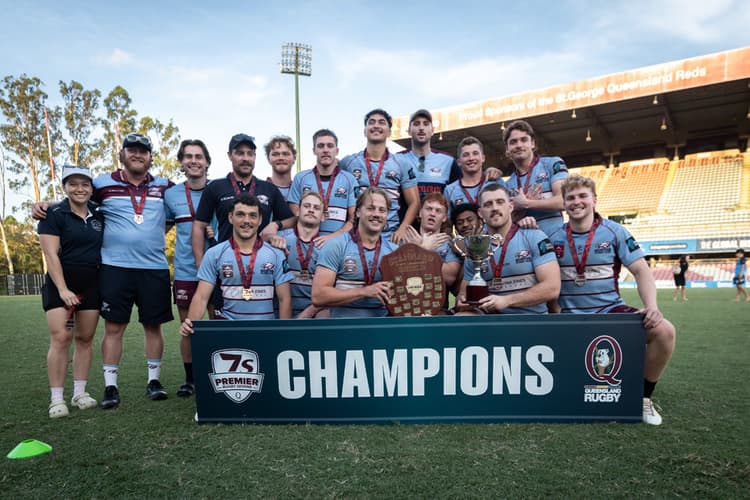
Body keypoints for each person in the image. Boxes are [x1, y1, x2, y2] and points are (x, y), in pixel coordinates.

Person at [32, 135, 175, 409]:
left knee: (153, 325)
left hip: (154, 267)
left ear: (150, 157)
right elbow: (76, 197)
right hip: (114, 268)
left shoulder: (164, 186)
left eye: (143, 151)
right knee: (114, 327)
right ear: (121, 154)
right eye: (131, 150)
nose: (137, 155)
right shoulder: (101, 184)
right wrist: (46, 205)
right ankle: (111, 386)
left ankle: (154, 381)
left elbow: (177, 214)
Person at [549, 175, 676, 425]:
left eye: (582, 196)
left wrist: (652, 307)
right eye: (570, 198)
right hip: (566, 318)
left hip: (609, 311)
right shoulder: (552, 237)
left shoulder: (614, 231)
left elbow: (641, 270)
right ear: (563, 203)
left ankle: (643, 398)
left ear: (594, 200)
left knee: (664, 331)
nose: (577, 202)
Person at [38, 165, 104, 418]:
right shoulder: (54, 214)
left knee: (85, 339)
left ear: (91, 187)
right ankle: (57, 399)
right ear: (64, 186)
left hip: (92, 283)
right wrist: (63, 289)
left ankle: (80, 393)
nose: (80, 189)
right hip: (60, 284)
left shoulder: (99, 213)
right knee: (61, 338)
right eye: (73, 184)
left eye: (85, 184)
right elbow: (50, 254)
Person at [179, 194, 293, 337]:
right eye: (240, 214)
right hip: (229, 330)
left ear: (260, 220)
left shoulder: (276, 254)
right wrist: (190, 322)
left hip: (266, 331)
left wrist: (284, 334)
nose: (247, 221)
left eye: (252, 215)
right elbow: (202, 297)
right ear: (230, 218)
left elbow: (284, 299)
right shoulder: (214, 254)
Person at [192, 133, 295, 269]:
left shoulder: (269, 188)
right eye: (240, 153)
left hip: (262, 264)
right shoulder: (215, 187)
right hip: (225, 263)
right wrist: (200, 263)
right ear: (230, 155)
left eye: (250, 154)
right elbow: (199, 226)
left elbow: (292, 219)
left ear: (255, 157)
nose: (245, 158)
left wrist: (276, 225)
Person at [456, 183, 560, 314]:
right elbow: (462, 293)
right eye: (488, 204)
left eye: (500, 202)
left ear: (510, 206)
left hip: (530, 320)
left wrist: (507, 300)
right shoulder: (476, 246)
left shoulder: (534, 236)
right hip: (491, 321)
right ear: (480, 213)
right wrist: (462, 301)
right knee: (462, 316)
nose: (494, 208)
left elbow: (552, 288)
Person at [164, 139, 214, 397]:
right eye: (188, 156)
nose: (194, 161)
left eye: (199, 156)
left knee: (218, 323)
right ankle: (190, 379)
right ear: (182, 162)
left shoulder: (218, 190)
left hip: (218, 271)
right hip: (185, 270)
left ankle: (217, 373)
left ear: (207, 161)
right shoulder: (171, 195)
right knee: (188, 326)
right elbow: (160, 228)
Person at [311, 187, 398, 317]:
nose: (376, 214)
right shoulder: (336, 245)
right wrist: (363, 292)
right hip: (343, 330)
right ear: (357, 212)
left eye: (382, 210)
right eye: (370, 208)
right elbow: (318, 296)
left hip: (381, 330)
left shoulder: (394, 252)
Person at [339, 108, 420, 243]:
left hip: (390, 236)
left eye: (382, 122)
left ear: (389, 132)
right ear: (365, 131)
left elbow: (415, 202)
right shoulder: (348, 162)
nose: (376, 125)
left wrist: (402, 228)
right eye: (371, 122)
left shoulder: (402, 164)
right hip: (356, 236)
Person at [288, 129, 358, 246]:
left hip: (338, 245)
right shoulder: (300, 178)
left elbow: (354, 219)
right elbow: (295, 215)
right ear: (314, 150)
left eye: (330, 146)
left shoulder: (349, 180)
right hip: (305, 246)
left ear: (337, 150)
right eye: (320, 146)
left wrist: (333, 238)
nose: (325, 150)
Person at [504, 120, 569, 236]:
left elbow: (563, 201)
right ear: (507, 148)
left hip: (555, 240)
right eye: (513, 142)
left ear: (532, 143)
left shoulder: (552, 164)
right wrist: (519, 210)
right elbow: (506, 222)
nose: (519, 145)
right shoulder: (507, 185)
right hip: (525, 246)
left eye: (524, 140)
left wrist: (527, 203)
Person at [279, 191, 328, 318]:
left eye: (316, 208)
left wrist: (306, 315)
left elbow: (326, 296)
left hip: (314, 314)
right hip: (280, 314)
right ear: (297, 211)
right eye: (307, 206)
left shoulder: (328, 247)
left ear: (323, 216)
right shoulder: (280, 239)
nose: (311, 210)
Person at [396, 109, 461, 198]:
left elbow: (462, 190)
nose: (421, 128)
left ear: (432, 130)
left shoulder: (448, 161)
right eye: (416, 124)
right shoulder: (396, 159)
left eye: (426, 124)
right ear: (409, 131)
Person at [444, 136, 504, 220]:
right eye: (466, 155)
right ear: (458, 162)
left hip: (495, 233)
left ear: (483, 158)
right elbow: (448, 223)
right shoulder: (450, 190)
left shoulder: (497, 182)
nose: (471, 158)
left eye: (475, 153)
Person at [264, 135, 296, 200]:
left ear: (294, 158)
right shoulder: (260, 189)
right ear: (268, 159)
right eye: (275, 154)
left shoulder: (299, 192)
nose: (281, 158)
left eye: (285, 154)